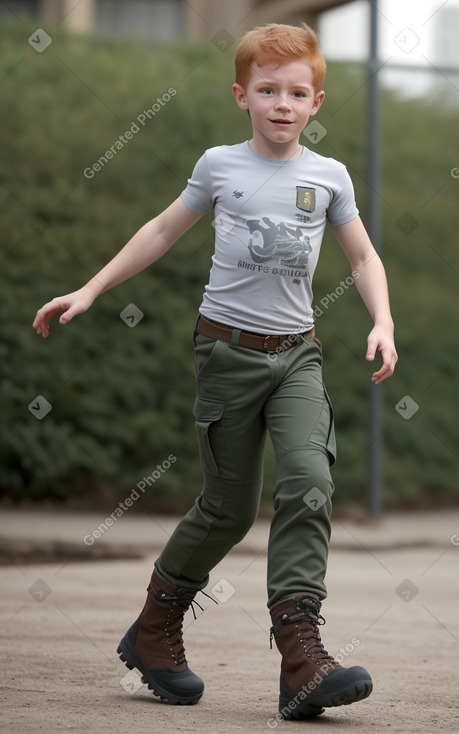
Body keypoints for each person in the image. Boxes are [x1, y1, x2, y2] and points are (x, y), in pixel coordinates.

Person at [33, 22, 397, 720]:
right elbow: (163, 230)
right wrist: (90, 288)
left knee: (310, 480)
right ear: (242, 96)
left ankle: (301, 655)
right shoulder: (218, 166)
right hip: (225, 355)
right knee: (227, 509)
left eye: (297, 93)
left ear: (316, 102)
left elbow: (361, 257)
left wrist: (381, 321)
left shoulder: (328, 178)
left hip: (296, 354)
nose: (282, 104)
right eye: (268, 91)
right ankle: (153, 632)